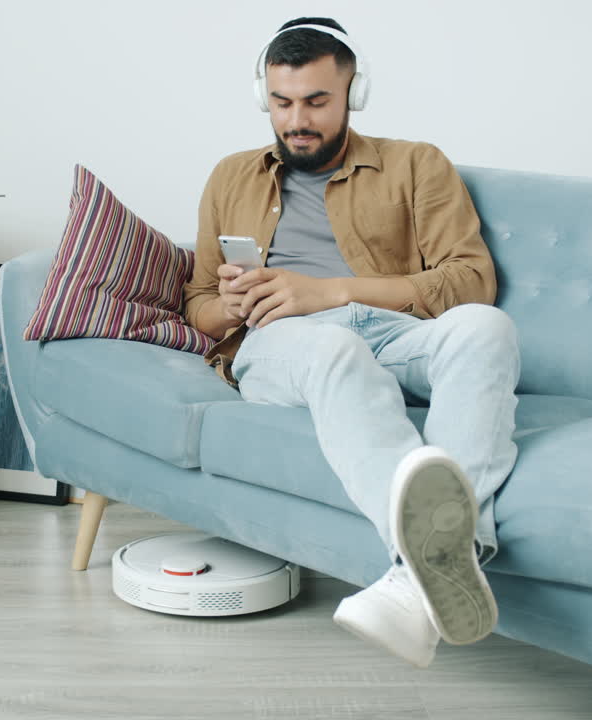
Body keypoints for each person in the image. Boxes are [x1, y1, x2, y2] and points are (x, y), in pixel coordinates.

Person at [183, 17, 521, 668]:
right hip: (283, 344)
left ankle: (416, 581)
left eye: (316, 101)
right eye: (282, 103)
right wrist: (227, 306)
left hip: (391, 330)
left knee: (488, 328)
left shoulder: (417, 164)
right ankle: (436, 565)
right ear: (265, 98)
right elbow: (196, 303)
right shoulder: (230, 177)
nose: (297, 120)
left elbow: (472, 280)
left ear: (352, 95)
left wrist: (333, 291)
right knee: (332, 352)